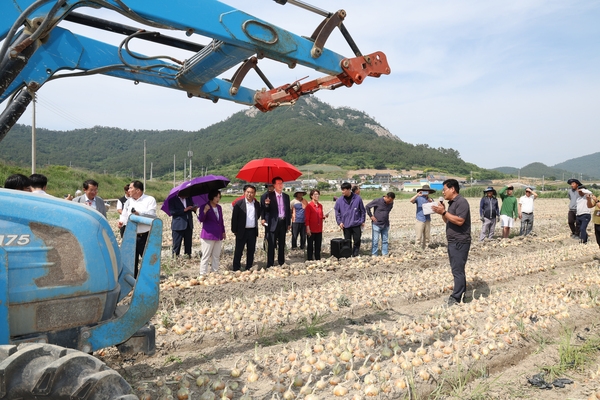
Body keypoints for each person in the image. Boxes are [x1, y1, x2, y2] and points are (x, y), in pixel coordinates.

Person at [431, 179, 471, 306]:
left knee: (457, 270)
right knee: (457, 269)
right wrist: (443, 212)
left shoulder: (462, 202)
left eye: (445, 189)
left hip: (460, 241)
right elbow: (448, 221)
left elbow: (459, 221)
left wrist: (444, 212)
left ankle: (456, 298)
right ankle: (461, 294)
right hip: (453, 241)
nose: (443, 192)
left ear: (452, 189)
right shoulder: (452, 203)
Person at [119, 180, 157, 277]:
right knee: (132, 261)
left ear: (138, 190)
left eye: (131, 188)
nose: (128, 190)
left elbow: (152, 216)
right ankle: (133, 281)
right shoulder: (128, 201)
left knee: (147, 260)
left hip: (146, 235)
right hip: (131, 235)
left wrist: (139, 214)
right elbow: (124, 215)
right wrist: (121, 222)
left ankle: (148, 279)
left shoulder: (149, 200)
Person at [262, 177, 291, 268]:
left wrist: (288, 223)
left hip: (283, 221)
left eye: (281, 183)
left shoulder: (286, 196)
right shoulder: (268, 196)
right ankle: (270, 263)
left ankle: (281, 262)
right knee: (271, 243)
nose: (280, 185)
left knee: (282, 243)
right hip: (273, 222)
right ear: (274, 185)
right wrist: (267, 204)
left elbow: (288, 211)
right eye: (278, 183)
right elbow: (266, 210)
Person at [232, 185, 261, 271]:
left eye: (252, 192)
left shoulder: (256, 204)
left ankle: (249, 267)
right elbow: (234, 218)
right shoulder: (239, 204)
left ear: (254, 194)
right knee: (238, 250)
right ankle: (236, 268)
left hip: (252, 230)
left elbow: (258, 215)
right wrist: (234, 230)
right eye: (248, 192)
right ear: (244, 192)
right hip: (241, 231)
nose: (249, 194)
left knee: (251, 250)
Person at [334, 182, 366, 257]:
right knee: (347, 240)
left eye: (344, 190)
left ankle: (355, 253)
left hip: (356, 223)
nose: (342, 192)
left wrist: (362, 220)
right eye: (342, 190)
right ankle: (348, 253)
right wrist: (339, 222)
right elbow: (337, 212)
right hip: (346, 224)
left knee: (357, 239)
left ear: (349, 190)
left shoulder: (357, 198)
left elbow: (362, 211)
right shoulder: (339, 200)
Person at [198, 190, 225, 275]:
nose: (218, 199)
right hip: (208, 235)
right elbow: (201, 219)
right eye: (216, 197)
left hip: (218, 234)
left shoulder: (219, 207)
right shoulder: (204, 206)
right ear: (211, 197)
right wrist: (205, 211)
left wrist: (223, 231)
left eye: (219, 197)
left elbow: (221, 221)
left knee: (216, 255)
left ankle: (215, 271)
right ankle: (203, 273)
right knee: (206, 255)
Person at [168, 190, 198, 258]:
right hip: (178, 225)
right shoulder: (172, 199)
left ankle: (188, 257)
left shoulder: (188, 198)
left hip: (188, 224)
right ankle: (175, 258)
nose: (186, 195)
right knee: (176, 244)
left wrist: (194, 209)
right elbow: (172, 211)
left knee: (188, 243)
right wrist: (183, 210)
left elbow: (191, 207)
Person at [410, 184, 435, 249]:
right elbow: (411, 200)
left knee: (427, 235)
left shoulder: (430, 199)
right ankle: (417, 248)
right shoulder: (418, 198)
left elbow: (434, 207)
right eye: (425, 191)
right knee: (418, 235)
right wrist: (417, 194)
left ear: (429, 192)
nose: (426, 192)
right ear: (422, 191)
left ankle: (426, 247)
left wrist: (431, 201)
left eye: (427, 191)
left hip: (427, 219)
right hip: (420, 219)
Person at [305, 189, 327, 260]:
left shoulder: (320, 206)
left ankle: (318, 258)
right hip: (311, 229)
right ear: (311, 196)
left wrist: (324, 217)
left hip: (319, 228)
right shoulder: (309, 206)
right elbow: (307, 218)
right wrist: (307, 228)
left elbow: (320, 216)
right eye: (315, 194)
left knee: (318, 245)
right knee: (310, 245)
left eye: (318, 194)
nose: (317, 196)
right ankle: (310, 258)